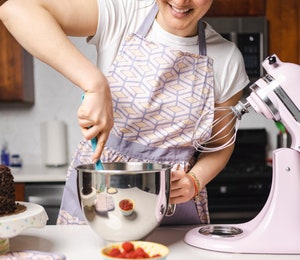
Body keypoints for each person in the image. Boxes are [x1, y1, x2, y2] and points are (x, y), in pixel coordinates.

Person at [0, 0, 249, 225]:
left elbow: (219, 145)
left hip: (172, 206)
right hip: (100, 188)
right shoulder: (123, 13)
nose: (181, 1)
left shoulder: (227, 59)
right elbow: (15, 10)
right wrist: (95, 83)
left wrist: (194, 180)